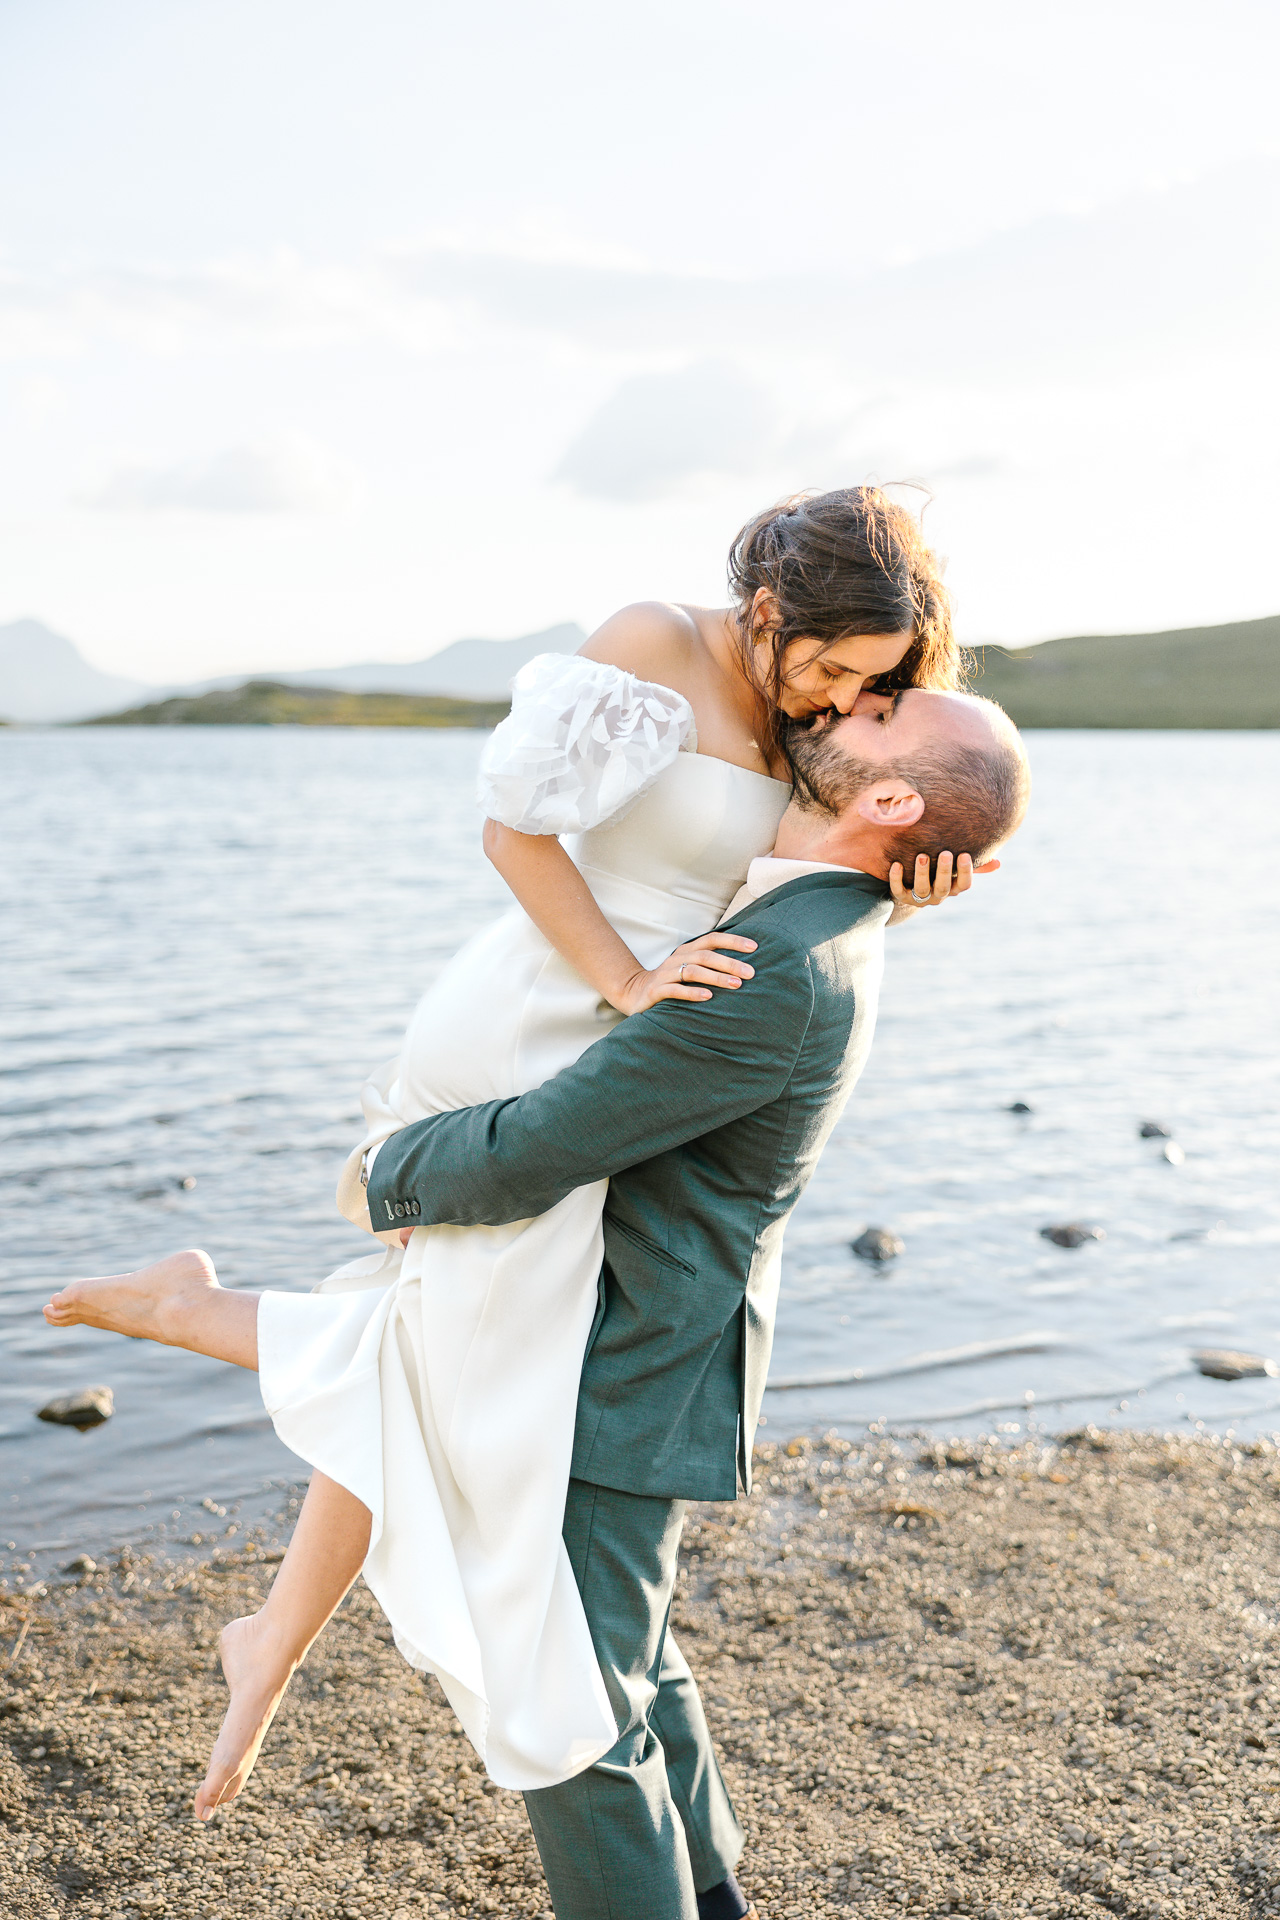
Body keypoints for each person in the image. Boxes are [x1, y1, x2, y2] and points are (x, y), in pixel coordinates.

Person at [43, 487, 996, 1832]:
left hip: (642, 1034)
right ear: (769, 609)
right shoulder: (653, 642)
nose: (840, 703)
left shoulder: (814, 719)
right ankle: (192, 1338)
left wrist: (900, 880)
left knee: (449, 1341)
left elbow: (797, 869)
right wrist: (624, 982)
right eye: (830, 669)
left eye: (867, 687)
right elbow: (515, 830)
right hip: (546, 1009)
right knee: (461, 1352)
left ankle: (261, 1621)